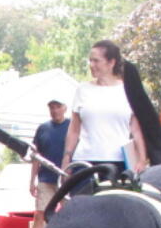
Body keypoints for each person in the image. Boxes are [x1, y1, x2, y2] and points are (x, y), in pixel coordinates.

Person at [61, 40, 147, 192]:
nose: (91, 65)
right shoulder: (83, 90)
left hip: (117, 162)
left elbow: (136, 130)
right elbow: (74, 129)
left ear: (111, 62)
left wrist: (141, 159)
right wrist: (66, 158)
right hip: (85, 161)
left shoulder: (127, 91)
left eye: (96, 61)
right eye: (90, 60)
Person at [28, 97, 71, 228]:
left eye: (58, 107)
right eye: (52, 108)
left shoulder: (72, 126)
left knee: (69, 215)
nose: (55, 111)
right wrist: (32, 180)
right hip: (46, 178)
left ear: (65, 108)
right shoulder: (43, 128)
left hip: (66, 179)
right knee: (40, 214)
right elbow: (36, 156)